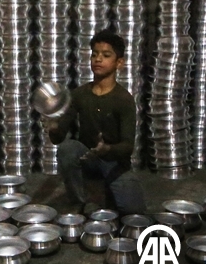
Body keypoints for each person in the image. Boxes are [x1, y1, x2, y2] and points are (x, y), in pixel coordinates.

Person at [47, 30, 146, 216]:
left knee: (134, 211)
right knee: (68, 149)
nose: (98, 59)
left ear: (119, 63)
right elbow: (59, 138)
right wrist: (53, 128)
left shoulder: (123, 99)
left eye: (106, 55)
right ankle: (81, 200)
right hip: (88, 159)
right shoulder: (79, 94)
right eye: (94, 54)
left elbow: (128, 146)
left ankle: (107, 191)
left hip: (115, 162)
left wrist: (107, 149)